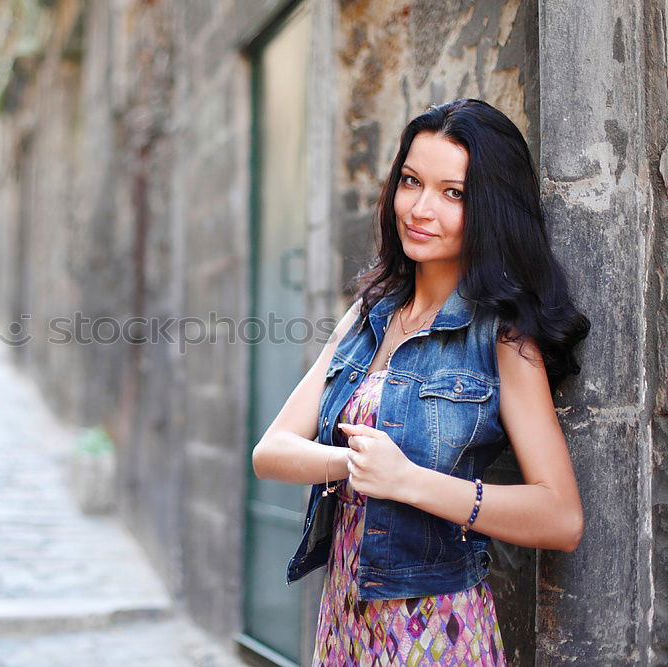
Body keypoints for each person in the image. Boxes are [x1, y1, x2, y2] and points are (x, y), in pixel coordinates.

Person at [251, 98, 590, 666]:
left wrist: (408, 481)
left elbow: (561, 517)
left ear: (489, 207)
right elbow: (272, 452)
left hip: (436, 628)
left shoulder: (502, 339)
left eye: (452, 193)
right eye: (411, 181)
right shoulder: (367, 317)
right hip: (343, 617)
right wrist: (354, 465)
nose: (420, 209)